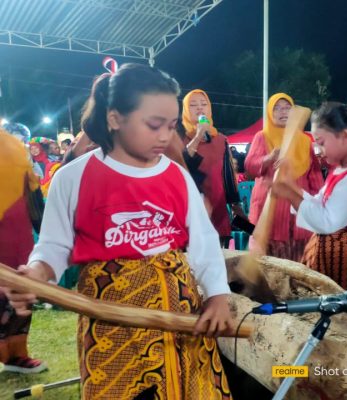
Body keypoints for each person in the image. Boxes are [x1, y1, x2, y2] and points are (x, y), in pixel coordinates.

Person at [1, 64, 233, 399]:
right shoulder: (73, 177)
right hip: (111, 320)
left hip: (179, 312)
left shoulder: (177, 176)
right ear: (114, 118)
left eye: (170, 125)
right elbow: (54, 245)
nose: (166, 137)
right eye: (154, 125)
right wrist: (37, 274)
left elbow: (204, 243)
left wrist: (217, 296)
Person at [272, 102, 347, 306]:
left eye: (322, 142)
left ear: (345, 136)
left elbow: (326, 220)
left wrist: (290, 194)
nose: (318, 150)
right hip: (336, 262)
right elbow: (319, 204)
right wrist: (291, 183)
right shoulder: (340, 170)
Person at [245, 93, 324, 261]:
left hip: (296, 208)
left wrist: (318, 201)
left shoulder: (304, 140)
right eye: (277, 108)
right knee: (267, 263)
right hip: (268, 208)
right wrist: (269, 158)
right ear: (269, 113)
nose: (283, 112)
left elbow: (315, 174)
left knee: (298, 261)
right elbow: (250, 166)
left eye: (288, 108)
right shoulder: (262, 136)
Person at [0, 128, 46, 373]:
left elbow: (33, 195)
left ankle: (17, 355)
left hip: (20, 240)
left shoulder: (15, 151)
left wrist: (45, 231)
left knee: (21, 294)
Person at [180, 89, 244, 246]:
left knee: (218, 261)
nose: (200, 108)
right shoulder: (179, 136)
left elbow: (228, 175)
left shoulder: (220, 139)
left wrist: (236, 206)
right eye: (193, 105)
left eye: (204, 104)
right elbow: (181, 163)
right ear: (187, 110)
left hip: (217, 209)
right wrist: (197, 136)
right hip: (190, 210)